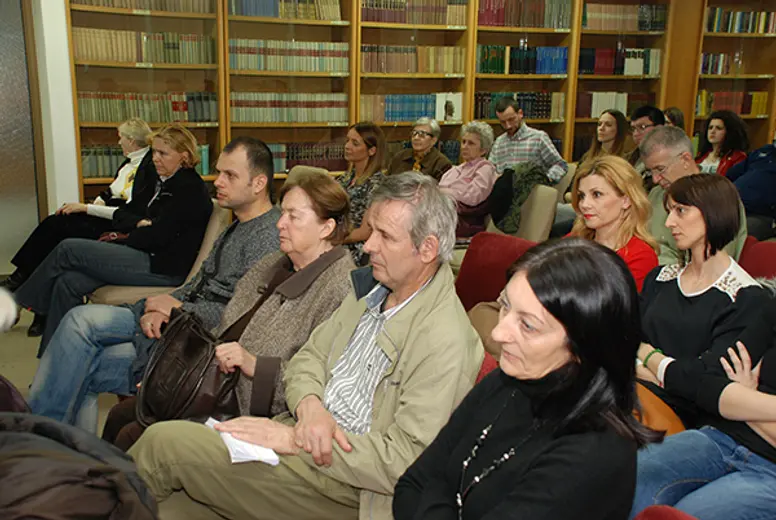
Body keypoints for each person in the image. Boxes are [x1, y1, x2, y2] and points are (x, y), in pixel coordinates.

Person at [127, 172, 484, 520]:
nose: (368, 245)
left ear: (427, 249)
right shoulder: (371, 291)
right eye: (372, 230)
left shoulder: (445, 340)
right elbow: (307, 359)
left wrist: (296, 441)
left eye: (385, 236)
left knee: (163, 446)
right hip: (300, 443)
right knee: (169, 507)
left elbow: (407, 460)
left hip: (350, 488)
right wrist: (310, 407)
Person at [393, 238, 663, 520]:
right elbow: (410, 485)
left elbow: (427, 484)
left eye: (528, 325)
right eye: (505, 306)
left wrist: (437, 491)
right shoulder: (506, 381)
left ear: (583, 346)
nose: (498, 333)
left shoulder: (593, 453)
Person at [25, 136, 282, 433]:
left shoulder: (269, 237)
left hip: (198, 343)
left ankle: (41, 436)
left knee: (82, 344)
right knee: (77, 331)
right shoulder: (235, 227)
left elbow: (242, 315)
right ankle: (61, 442)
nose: (218, 181)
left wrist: (176, 309)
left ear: (258, 183)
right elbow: (198, 283)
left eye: (230, 175)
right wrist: (156, 308)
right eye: (219, 172)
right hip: (183, 321)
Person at [102, 170, 356, 450]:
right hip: (214, 382)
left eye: (293, 216)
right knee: (121, 415)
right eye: (282, 213)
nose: (280, 224)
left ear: (326, 228)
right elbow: (223, 329)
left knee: (134, 435)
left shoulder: (340, 289)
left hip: (249, 406)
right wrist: (174, 374)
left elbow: (324, 379)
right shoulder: (273, 263)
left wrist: (254, 364)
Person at [14, 123, 213, 355]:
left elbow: (157, 237)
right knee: (67, 281)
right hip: (148, 254)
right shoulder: (164, 183)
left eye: (163, 153)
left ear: (184, 156)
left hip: (162, 266)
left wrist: (130, 235)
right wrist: (140, 227)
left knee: (68, 249)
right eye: (154, 152)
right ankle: (55, 356)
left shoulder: (188, 189)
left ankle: (21, 301)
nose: (155, 158)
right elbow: (137, 219)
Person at [636, 174, 773, 426]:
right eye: (669, 211)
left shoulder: (747, 298)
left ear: (713, 213)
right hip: (632, 390)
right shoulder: (660, 278)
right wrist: (655, 370)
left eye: (680, 210)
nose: (669, 222)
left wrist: (646, 354)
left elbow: (705, 382)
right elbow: (625, 338)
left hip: (685, 418)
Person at [3, 118, 156, 337]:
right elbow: (110, 193)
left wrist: (85, 208)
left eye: (121, 137)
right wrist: (92, 206)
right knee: (56, 224)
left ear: (131, 140)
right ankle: (35, 304)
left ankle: (19, 284)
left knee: (57, 230)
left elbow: (128, 211)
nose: (118, 142)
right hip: (106, 215)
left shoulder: (149, 167)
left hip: (119, 224)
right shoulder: (127, 163)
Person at [630, 341, 776, 520]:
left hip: (770, 470)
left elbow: (721, 393)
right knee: (631, 482)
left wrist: (745, 399)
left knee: (686, 514)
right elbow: (710, 384)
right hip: (720, 437)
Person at [640, 125, 748, 264]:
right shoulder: (656, 194)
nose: (655, 179)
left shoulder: (718, 196)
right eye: (650, 171)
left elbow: (711, 264)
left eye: (660, 169)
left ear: (685, 159)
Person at [568, 155, 658, 290]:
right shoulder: (575, 239)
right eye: (582, 196)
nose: (584, 204)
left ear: (626, 200)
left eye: (597, 194)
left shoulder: (641, 256)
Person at [553, 109, 631, 236]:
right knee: (554, 212)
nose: (601, 128)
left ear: (619, 130)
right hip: (578, 205)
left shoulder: (622, 161)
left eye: (608, 125)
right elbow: (568, 192)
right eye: (599, 124)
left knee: (557, 221)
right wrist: (580, 199)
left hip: (603, 211)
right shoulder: (587, 157)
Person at [438, 120, 497, 237]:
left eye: (471, 143)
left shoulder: (485, 169)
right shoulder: (454, 169)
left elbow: (473, 197)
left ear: (483, 150)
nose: (464, 147)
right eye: (463, 142)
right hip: (445, 213)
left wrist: (445, 192)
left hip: (465, 221)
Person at [338, 121, 386, 265]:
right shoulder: (344, 179)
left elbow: (365, 232)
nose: (347, 146)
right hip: (336, 241)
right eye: (347, 140)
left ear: (371, 151)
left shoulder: (378, 185)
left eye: (355, 143)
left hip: (357, 249)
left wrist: (332, 239)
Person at [488, 97, 567, 183]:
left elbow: (561, 165)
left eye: (511, 119)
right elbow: (490, 170)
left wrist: (546, 180)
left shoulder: (538, 138)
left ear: (520, 114)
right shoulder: (498, 142)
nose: (508, 126)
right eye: (503, 122)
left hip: (532, 188)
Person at [727, 133, 776, 240]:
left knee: (733, 232)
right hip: (731, 204)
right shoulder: (764, 151)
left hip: (759, 214)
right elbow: (730, 174)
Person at [386, 117, 452, 180]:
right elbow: (386, 183)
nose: (416, 138)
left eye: (422, 134)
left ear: (433, 140)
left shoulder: (442, 164)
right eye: (414, 133)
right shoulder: (399, 157)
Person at [696, 110, 749, 177]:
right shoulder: (701, 156)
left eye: (718, 128)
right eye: (710, 128)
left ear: (729, 132)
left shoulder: (737, 157)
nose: (712, 131)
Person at [627, 105, 666, 181]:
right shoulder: (630, 158)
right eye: (633, 128)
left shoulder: (669, 158)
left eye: (642, 127)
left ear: (659, 128)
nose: (635, 134)